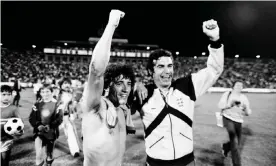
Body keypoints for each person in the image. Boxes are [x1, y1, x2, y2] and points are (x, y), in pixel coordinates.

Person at [132, 19, 224, 166]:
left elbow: (214, 70)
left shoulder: (187, 86)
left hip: (187, 161)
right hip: (155, 163)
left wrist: (215, 40)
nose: (167, 71)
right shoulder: (143, 93)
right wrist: (134, 84)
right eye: (161, 66)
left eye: (170, 66)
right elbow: (116, 102)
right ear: (150, 71)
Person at [81, 9, 135, 166]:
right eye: (119, 83)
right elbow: (96, 71)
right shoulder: (95, 106)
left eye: (129, 83)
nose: (125, 88)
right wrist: (112, 25)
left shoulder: (121, 109)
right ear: (107, 85)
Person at [218, 81, 252, 166]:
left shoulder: (244, 97)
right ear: (233, 86)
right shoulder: (227, 94)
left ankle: (225, 147)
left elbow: (248, 112)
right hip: (227, 118)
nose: (239, 87)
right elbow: (220, 105)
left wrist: (246, 110)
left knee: (237, 143)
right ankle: (237, 164)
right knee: (235, 142)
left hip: (238, 121)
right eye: (237, 85)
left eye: (241, 86)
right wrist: (230, 104)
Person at [29, 83, 63, 166]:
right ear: (40, 93)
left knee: (49, 154)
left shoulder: (57, 104)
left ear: (52, 92)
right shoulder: (37, 104)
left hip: (51, 132)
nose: (45, 94)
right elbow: (32, 118)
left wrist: (50, 126)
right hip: (39, 132)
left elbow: (59, 119)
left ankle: (48, 162)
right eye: (43, 92)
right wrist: (38, 125)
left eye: (47, 91)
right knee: (38, 155)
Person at [57, 78, 81, 157]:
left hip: (68, 116)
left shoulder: (71, 93)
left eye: (68, 83)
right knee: (54, 133)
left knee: (72, 131)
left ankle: (76, 149)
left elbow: (73, 106)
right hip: (59, 117)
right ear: (61, 85)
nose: (67, 85)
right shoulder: (57, 93)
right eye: (64, 83)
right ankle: (74, 151)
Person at [0, 85, 24, 166]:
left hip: (6, 140)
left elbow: (20, 123)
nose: (6, 97)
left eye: (9, 94)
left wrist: (19, 132)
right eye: (3, 94)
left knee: (4, 162)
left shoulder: (13, 108)